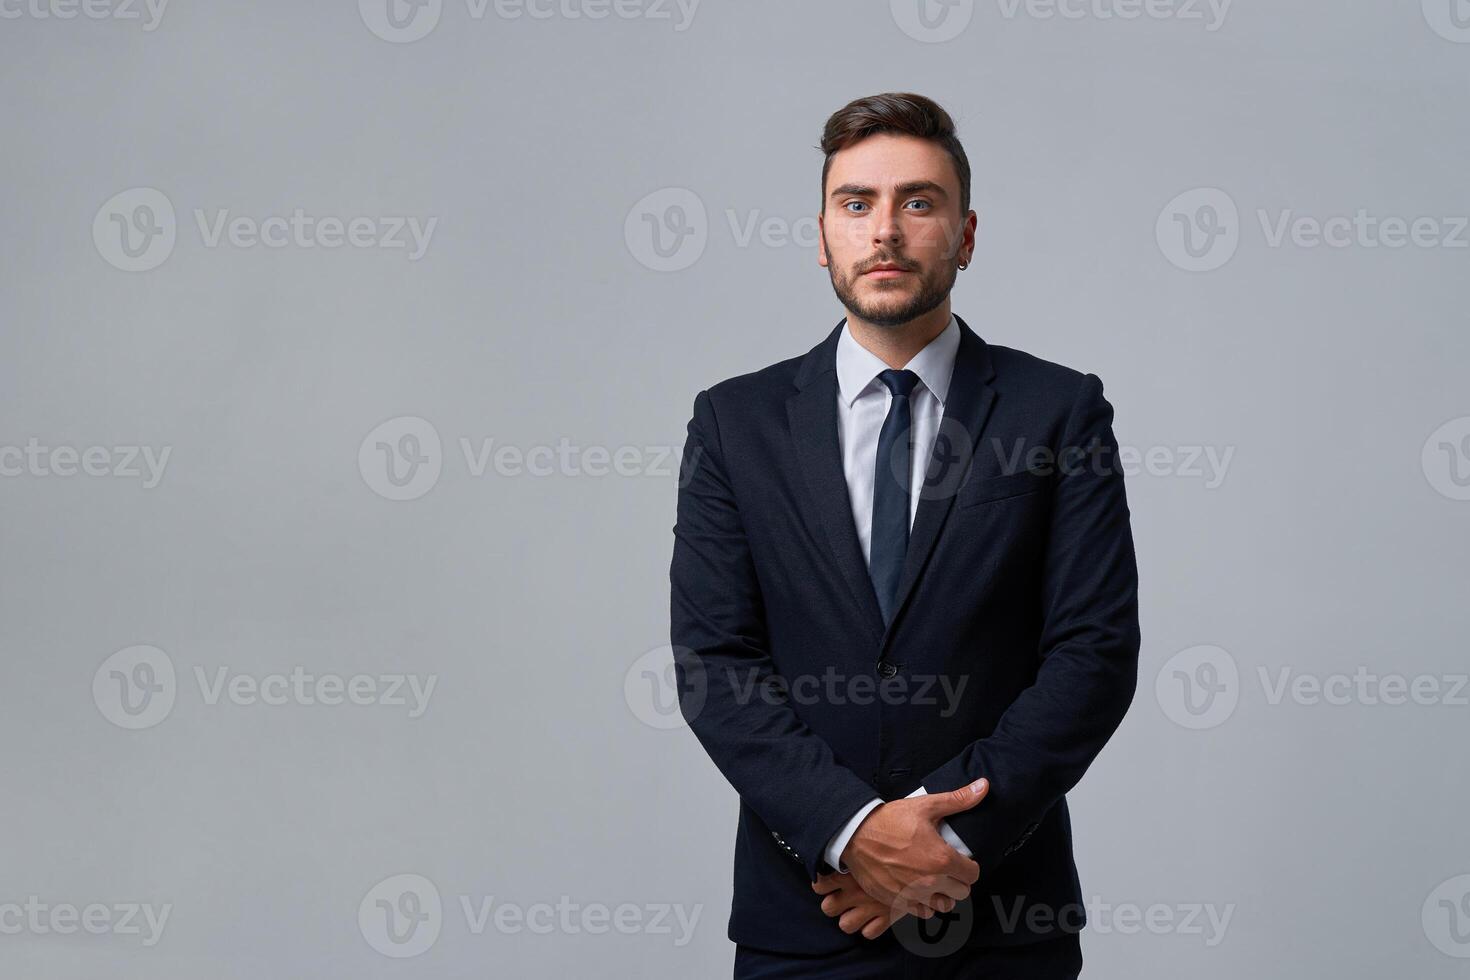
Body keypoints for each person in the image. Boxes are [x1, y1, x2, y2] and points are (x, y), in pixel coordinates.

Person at [669, 92, 1140, 978]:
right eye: (857, 203)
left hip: (1001, 920)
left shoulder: (1057, 411)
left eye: (918, 202)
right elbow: (715, 664)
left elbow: (1094, 654)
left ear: (965, 235)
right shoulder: (736, 424)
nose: (885, 230)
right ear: (821, 236)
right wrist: (854, 835)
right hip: (810, 920)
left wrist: (942, 839)